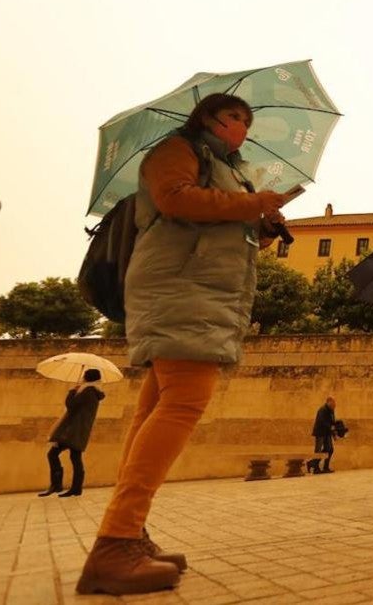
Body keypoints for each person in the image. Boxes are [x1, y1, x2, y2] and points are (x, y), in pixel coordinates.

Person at [76, 93, 290, 595]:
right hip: (180, 286)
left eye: (247, 119)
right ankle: (116, 542)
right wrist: (253, 203)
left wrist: (263, 223)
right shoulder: (176, 150)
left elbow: (219, 217)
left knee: (156, 406)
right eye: (233, 115)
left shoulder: (230, 169)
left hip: (201, 287)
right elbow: (175, 199)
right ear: (206, 117)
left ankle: (128, 532)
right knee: (185, 401)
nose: (241, 126)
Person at [39, 368, 105, 498]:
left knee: (54, 454)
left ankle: (60, 485)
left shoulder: (87, 391)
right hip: (77, 430)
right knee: (74, 458)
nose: (82, 378)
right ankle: (73, 487)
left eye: (84, 376)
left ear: (88, 378)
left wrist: (72, 391)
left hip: (72, 430)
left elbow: (71, 405)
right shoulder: (93, 391)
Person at [311, 397, 337, 473]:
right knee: (318, 450)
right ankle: (315, 468)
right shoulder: (322, 410)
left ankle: (324, 467)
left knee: (330, 449)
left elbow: (332, 422)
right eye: (332, 404)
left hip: (327, 433)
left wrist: (334, 434)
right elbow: (322, 421)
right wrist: (331, 428)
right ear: (328, 402)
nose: (334, 406)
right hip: (320, 433)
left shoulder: (331, 410)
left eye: (334, 405)